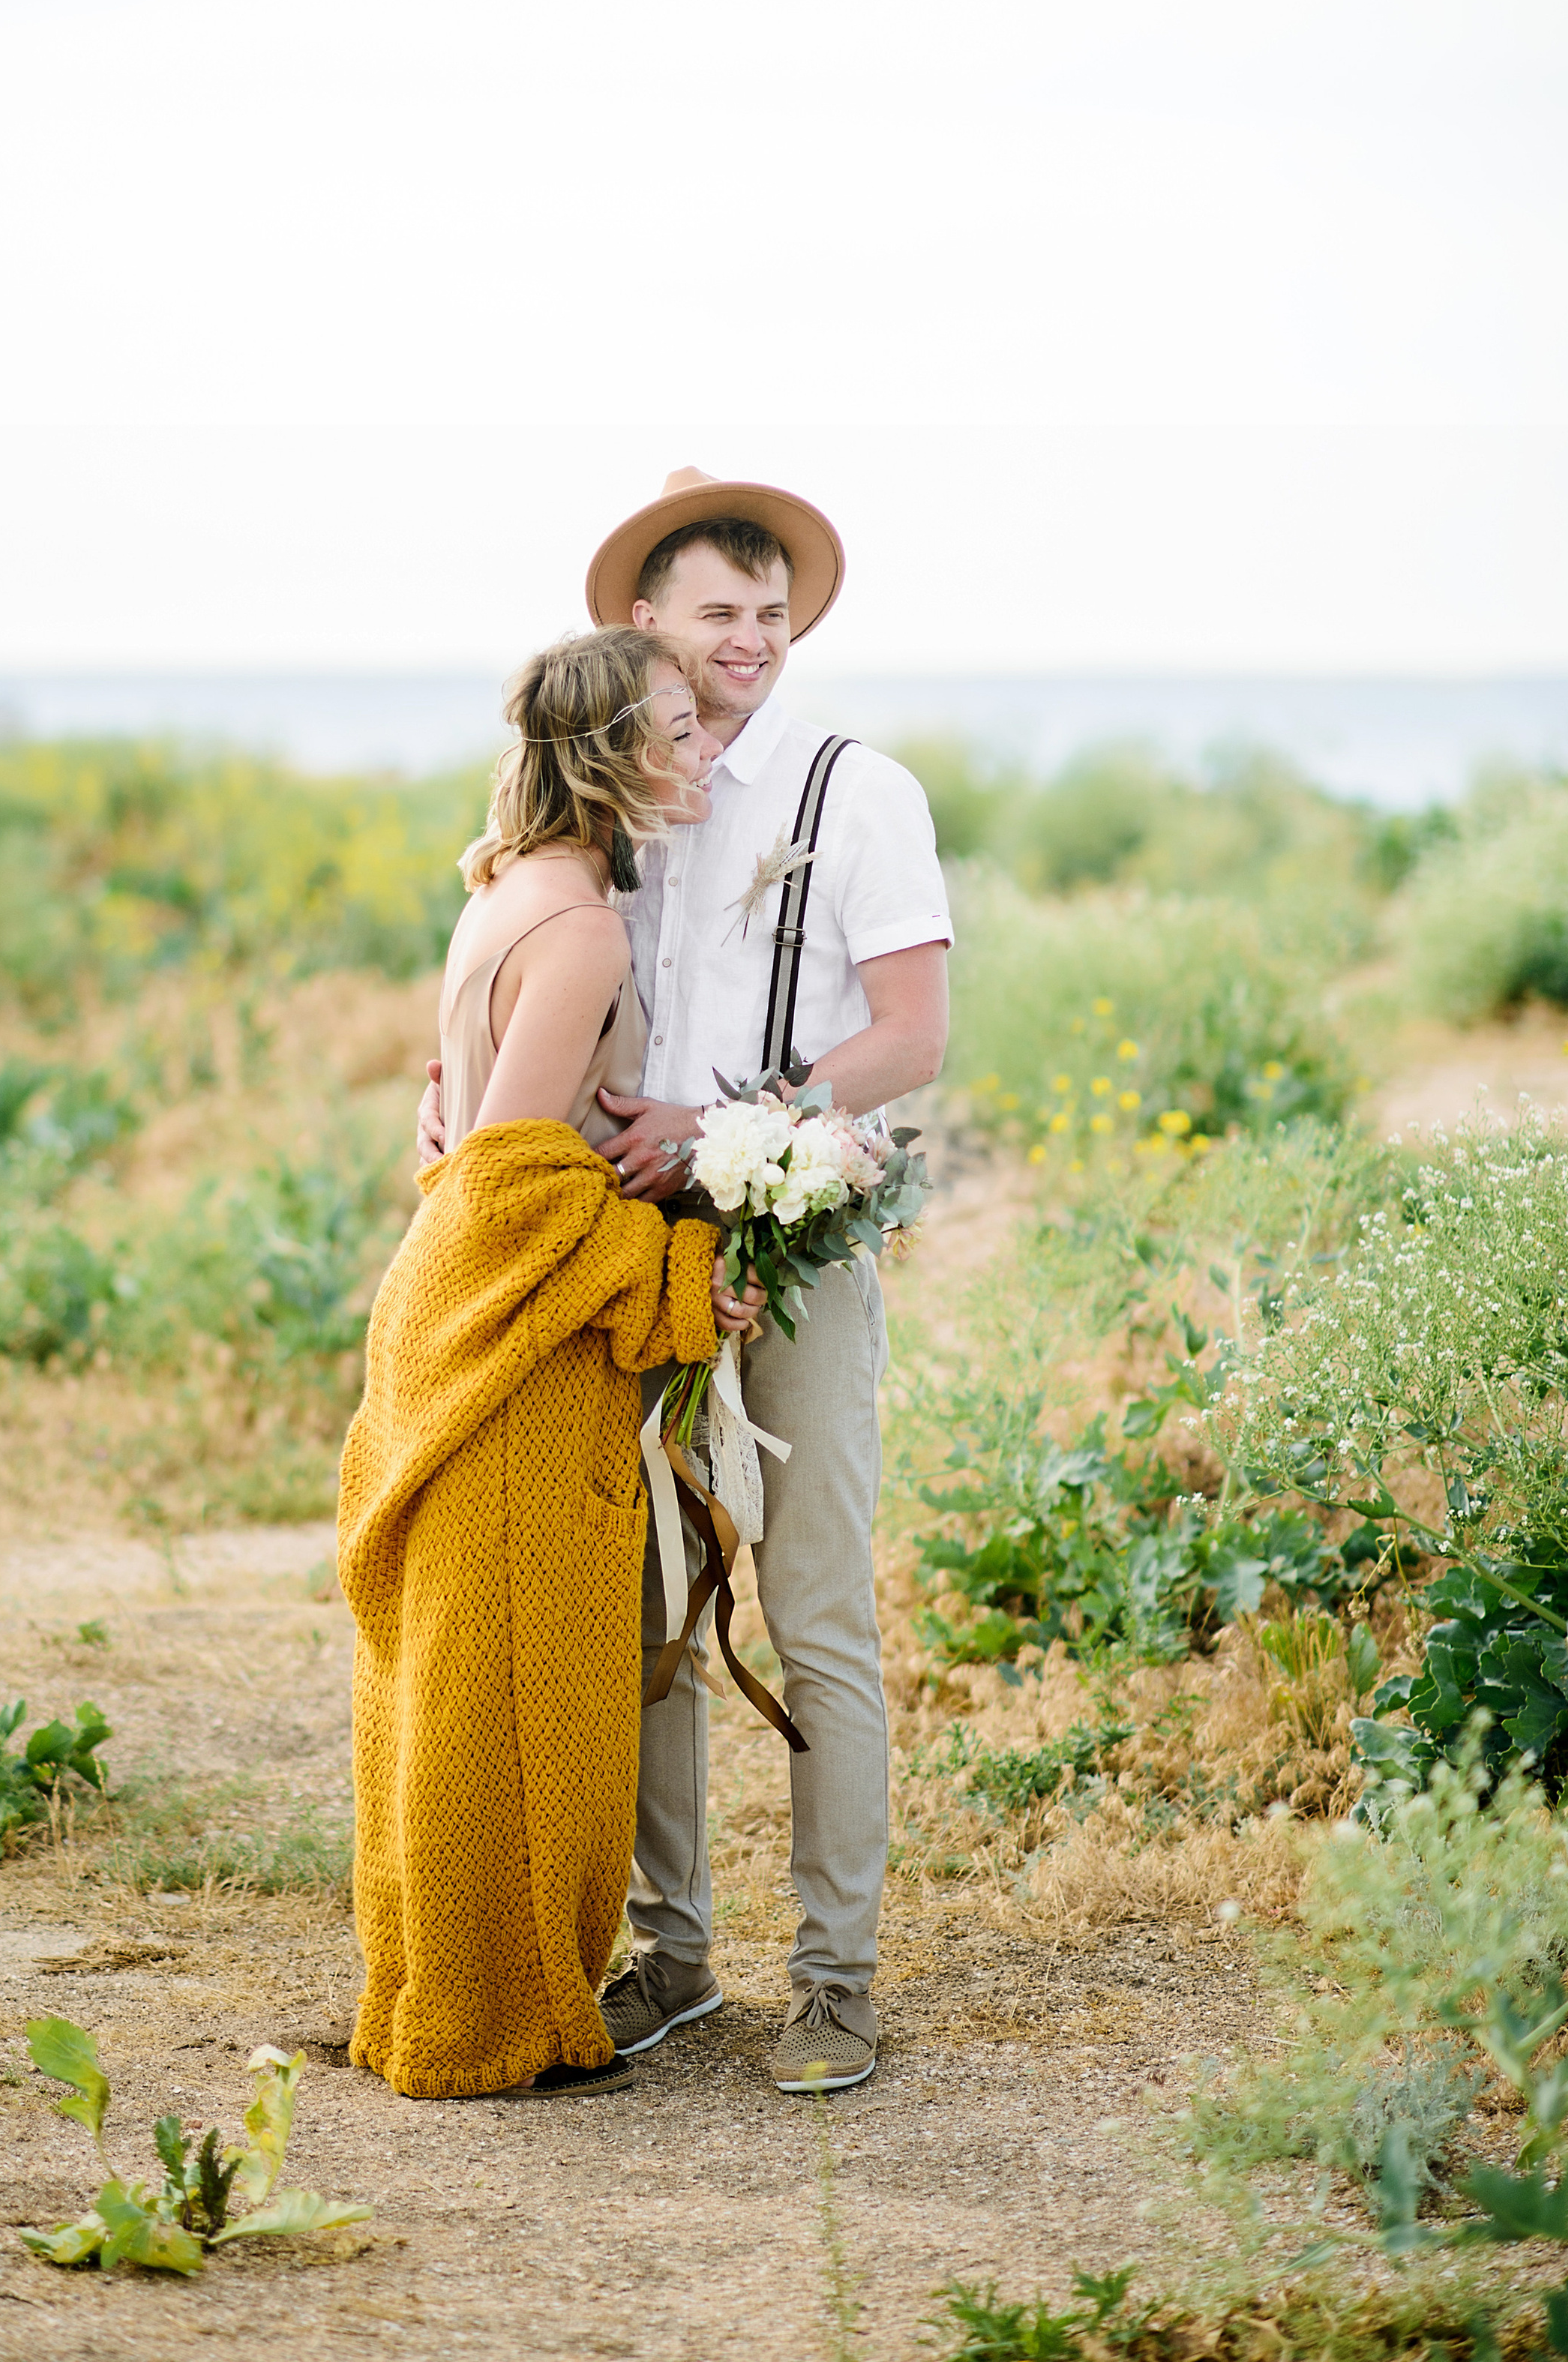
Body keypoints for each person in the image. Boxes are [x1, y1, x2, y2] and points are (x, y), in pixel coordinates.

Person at [418, 472, 951, 2094]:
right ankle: (672, 1956)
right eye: (719, 612)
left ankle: (837, 1980)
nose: (751, 642)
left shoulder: (857, 792)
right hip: (618, 1266)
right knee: (641, 1610)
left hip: (790, 1247)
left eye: (772, 615)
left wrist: (733, 1129)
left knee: (814, 1607)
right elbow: (537, 990)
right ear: (646, 622)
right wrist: (453, 1098)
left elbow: (911, 1039)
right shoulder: (626, 789)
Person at [338, 625, 763, 2104]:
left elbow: (467, 1135)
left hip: (462, 1320)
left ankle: (451, 1996)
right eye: (673, 727)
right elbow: (513, 1191)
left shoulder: (507, 889)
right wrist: (679, 1278)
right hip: (509, 1350)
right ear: (608, 761)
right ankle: (487, 2023)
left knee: (464, 1687)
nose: (701, 743)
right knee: (513, 1701)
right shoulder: (581, 931)